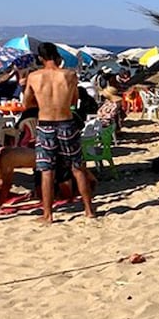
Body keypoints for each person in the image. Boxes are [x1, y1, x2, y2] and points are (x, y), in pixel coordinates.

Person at [24, 42, 95, 223]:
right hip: (66, 122)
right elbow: (73, 100)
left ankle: (48, 215)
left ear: (40, 58)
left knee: (47, 171)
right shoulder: (70, 75)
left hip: (46, 124)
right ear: (56, 55)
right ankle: (89, 210)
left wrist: (42, 102)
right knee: (77, 168)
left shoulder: (34, 76)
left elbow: (26, 103)